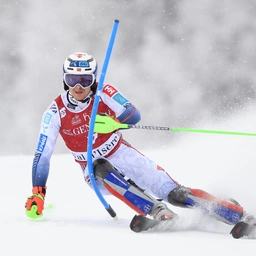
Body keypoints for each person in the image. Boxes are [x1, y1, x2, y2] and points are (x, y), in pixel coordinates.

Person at [25, 52, 255, 238]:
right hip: (94, 169)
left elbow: (133, 114)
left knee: (175, 193)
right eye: (72, 80)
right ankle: (158, 212)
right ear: (64, 80)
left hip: (124, 154)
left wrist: (112, 123)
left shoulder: (103, 92)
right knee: (100, 168)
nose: (78, 87)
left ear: (93, 79)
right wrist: (38, 193)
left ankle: (238, 214)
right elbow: (42, 156)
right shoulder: (55, 111)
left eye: (84, 80)